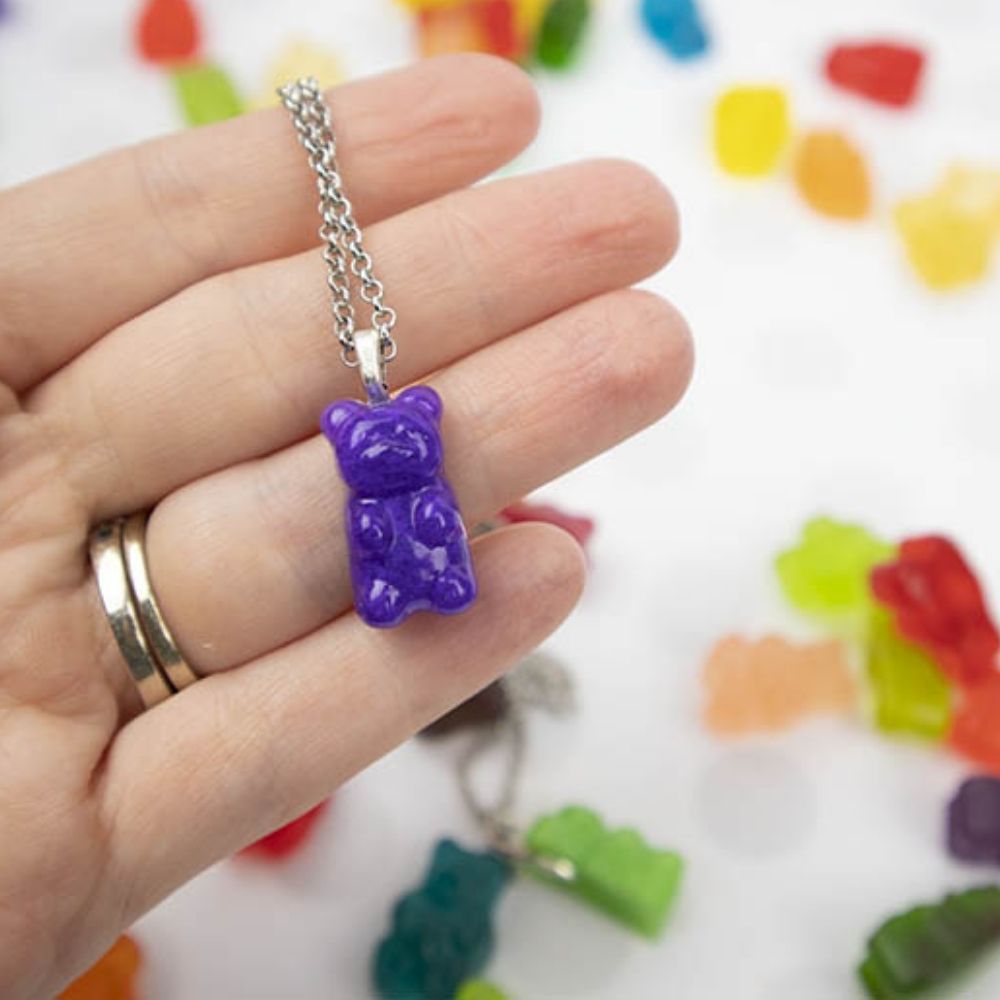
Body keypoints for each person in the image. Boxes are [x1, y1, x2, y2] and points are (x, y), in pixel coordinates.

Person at [0, 54, 692, 997]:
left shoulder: (416, 455)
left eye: (405, 439)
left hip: (434, 552)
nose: (397, 451)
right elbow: (375, 535)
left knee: (440, 554)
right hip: (383, 562)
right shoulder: (364, 480)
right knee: (387, 565)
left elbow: (436, 519)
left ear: (420, 428)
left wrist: (432, 537)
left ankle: (436, 585)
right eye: (379, 445)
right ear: (349, 440)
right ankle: (410, 591)